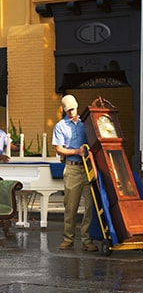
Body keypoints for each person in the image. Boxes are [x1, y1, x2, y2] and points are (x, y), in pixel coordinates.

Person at [52, 95, 97, 251]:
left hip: (88, 168)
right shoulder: (60, 126)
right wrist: (76, 151)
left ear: (77, 107)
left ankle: (86, 239)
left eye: (73, 109)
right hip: (72, 168)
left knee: (91, 205)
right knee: (71, 206)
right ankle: (68, 239)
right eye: (68, 110)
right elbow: (58, 149)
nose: (71, 112)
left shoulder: (86, 123)